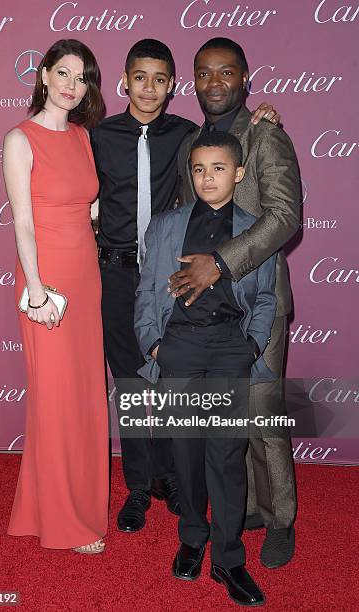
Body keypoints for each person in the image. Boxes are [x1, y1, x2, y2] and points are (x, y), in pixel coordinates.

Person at [90, 38, 279, 533]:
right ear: (124, 80)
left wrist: (263, 118)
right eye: (139, 77)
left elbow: (228, 148)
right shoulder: (99, 135)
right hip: (115, 270)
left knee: (178, 381)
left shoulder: (188, 134)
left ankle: (175, 479)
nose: (149, 88)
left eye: (160, 79)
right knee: (132, 383)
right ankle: (137, 487)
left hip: (175, 269)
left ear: (173, 86)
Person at [171, 37, 301, 568]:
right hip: (204, 310)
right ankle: (244, 507)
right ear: (194, 82)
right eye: (204, 73)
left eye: (227, 72)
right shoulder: (191, 143)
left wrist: (222, 262)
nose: (215, 82)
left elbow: (285, 216)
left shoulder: (265, 135)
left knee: (264, 416)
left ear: (245, 78)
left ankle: (281, 521)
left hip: (257, 299)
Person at [135, 131, 277, 606]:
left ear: (237, 174)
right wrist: (154, 344)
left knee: (226, 456)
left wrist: (251, 346)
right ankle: (192, 538)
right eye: (199, 169)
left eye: (218, 168)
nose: (207, 178)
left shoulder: (255, 230)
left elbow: (265, 299)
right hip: (178, 348)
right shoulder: (166, 225)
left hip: (229, 349)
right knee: (186, 453)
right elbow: (147, 292)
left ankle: (229, 558)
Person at [2, 39, 109, 553]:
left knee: (83, 397)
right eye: (63, 73)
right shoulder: (19, 139)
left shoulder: (83, 138)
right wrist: (38, 290)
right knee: (55, 397)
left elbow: (87, 208)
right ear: (43, 75)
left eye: (81, 76)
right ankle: (66, 523)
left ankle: (46, 509)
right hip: (46, 283)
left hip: (86, 279)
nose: (71, 85)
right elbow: (23, 221)